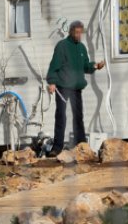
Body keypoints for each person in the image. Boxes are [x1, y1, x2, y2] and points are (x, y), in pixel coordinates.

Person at [46, 20, 105, 157]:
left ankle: (81, 145)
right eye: (77, 32)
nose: (79, 35)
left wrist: (95, 66)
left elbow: (85, 67)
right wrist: (52, 83)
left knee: (78, 117)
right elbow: (54, 66)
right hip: (62, 87)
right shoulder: (62, 46)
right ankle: (57, 148)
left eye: (81, 32)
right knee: (61, 116)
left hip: (76, 88)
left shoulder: (82, 48)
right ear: (71, 32)